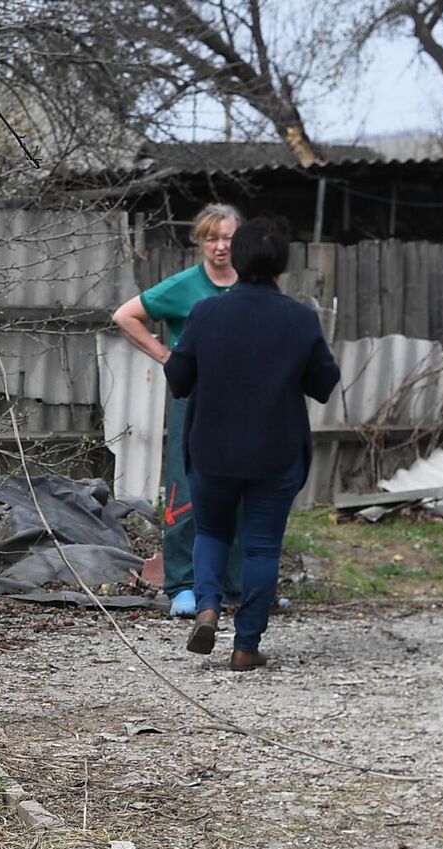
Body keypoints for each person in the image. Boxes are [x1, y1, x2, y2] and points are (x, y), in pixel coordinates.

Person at [163, 217, 340, 672]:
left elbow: (178, 380)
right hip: (276, 452)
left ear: (236, 258)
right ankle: (246, 647)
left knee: (211, 531)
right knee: (262, 548)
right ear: (282, 264)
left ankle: (206, 606)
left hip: (212, 448)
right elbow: (324, 383)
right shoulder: (300, 319)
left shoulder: (206, 313)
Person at [114, 203, 244, 617]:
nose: (221, 246)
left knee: (242, 489)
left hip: (244, 405)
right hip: (194, 401)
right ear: (200, 241)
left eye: (228, 238)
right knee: (186, 489)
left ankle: (238, 585)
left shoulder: (253, 286)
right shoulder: (185, 286)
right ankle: (183, 585)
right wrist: (167, 356)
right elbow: (126, 315)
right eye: (213, 238)